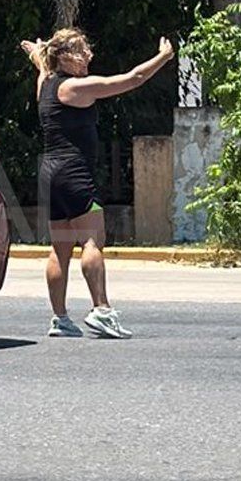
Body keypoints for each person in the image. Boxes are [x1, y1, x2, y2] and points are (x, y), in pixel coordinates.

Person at [20, 29, 174, 339]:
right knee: (92, 241)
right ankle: (101, 310)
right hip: (75, 173)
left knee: (60, 248)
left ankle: (60, 319)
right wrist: (163, 57)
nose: (89, 55)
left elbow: (42, 65)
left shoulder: (46, 85)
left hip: (51, 174)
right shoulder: (76, 87)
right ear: (64, 58)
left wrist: (38, 56)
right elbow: (132, 79)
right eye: (81, 51)